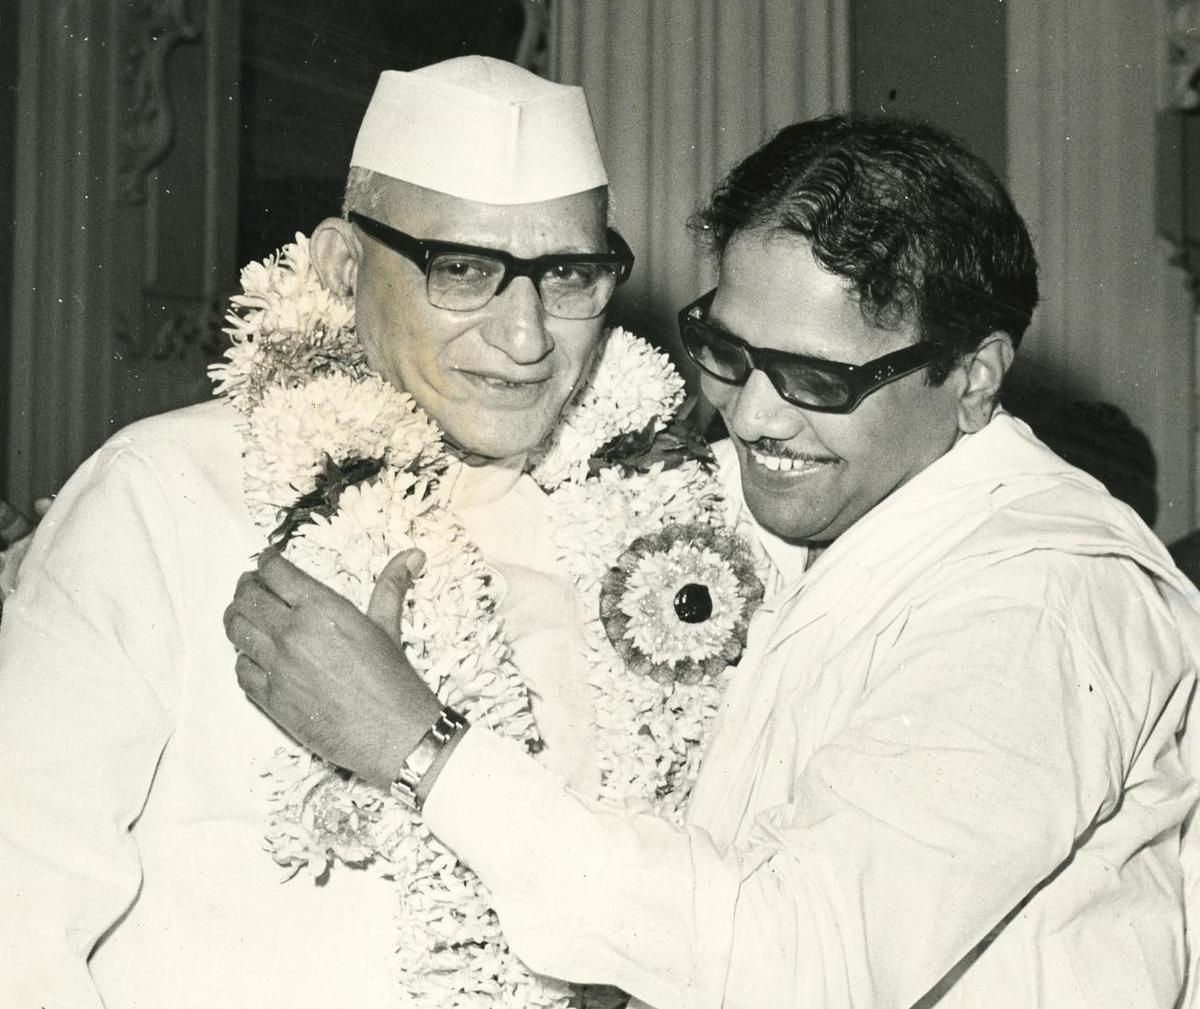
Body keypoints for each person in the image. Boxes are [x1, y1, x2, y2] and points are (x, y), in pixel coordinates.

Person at [228, 114, 1200, 1008]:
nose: (754, 416)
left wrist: (418, 744)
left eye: (821, 378)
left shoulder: (1045, 600)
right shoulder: (823, 497)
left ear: (976, 377)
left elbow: (802, 959)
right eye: (728, 351)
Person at [0, 56, 631, 1007]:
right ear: (342, 264)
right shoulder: (159, 494)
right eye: (463, 270)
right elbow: (19, 910)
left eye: (571, 274)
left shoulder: (646, 531)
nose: (528, 336)